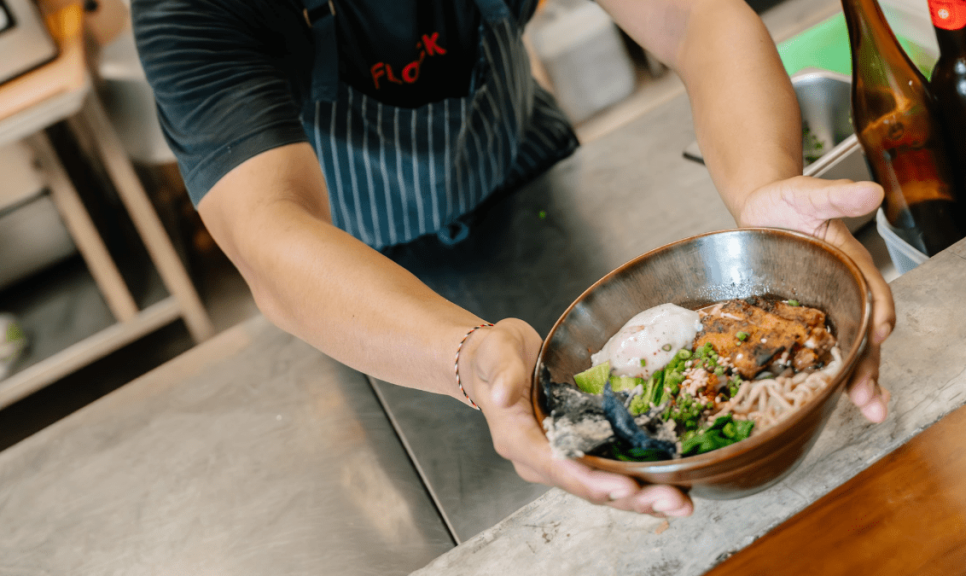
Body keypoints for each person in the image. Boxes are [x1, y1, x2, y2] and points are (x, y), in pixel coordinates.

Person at [132, 0, 894, 518]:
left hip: (538, 199)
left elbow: (694, 17)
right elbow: (268, 229)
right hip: (362, 299)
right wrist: (471, 361)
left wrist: (764, 194)